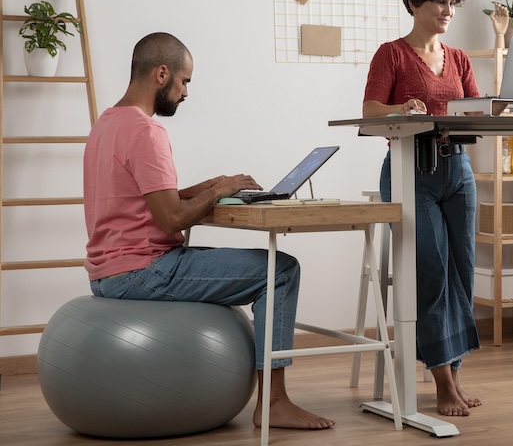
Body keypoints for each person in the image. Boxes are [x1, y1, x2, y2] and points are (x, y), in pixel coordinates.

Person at [82, 32, 334, 431]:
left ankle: (274, 397)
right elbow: (170, 219)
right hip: (142, 271)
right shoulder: (146, 132)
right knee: (281, 270)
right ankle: (274, 402)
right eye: (184, 81)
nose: (185, 93)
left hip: (108, 271)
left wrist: (211, 184)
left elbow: (145, 197)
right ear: (161, 74)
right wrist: (220, 190)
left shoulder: (107, 124)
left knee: (270, 266)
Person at [362, 0, 482, 417]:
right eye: (439, 1)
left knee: (464, 271)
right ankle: (442, 383)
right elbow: (371, 111)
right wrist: (401, 107)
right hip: (412, 171)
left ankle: (456, 373)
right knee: (431, 272)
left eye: (453, 1)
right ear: (413, 3)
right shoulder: (391, 55)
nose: (448, 10)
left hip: (458, 172)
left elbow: (474, 111)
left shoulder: (460, 58)